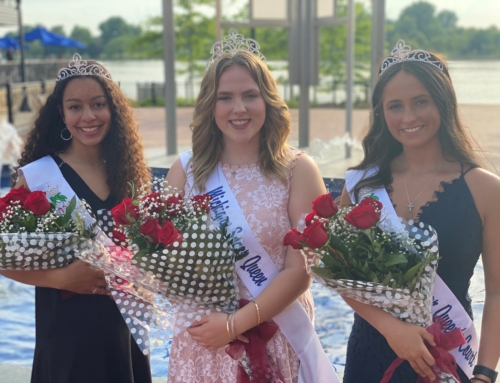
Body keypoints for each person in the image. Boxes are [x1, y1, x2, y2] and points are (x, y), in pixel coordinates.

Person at [165, 33, 337, 383]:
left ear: (268, 101)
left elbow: (301, 272)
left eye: (250, 95)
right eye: (225, 97)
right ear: (210, 106)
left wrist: (234, 325)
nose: (238, 108)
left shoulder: (298, 170)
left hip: (274, 332)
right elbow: (162, 259)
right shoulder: (185, 170)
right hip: (202, 340)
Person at [340, 40, 500, 383]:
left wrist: (485, 373)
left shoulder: (485, 189)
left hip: (449, 354)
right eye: (395, 106)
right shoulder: (361, 186)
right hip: (370, 356)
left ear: (443, 103)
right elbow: (341, 276)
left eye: (420, 102)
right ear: (382, 113)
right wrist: (391, 328)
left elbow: (498, 292)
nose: (408, 117)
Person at [0, 54, 152, 383]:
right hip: (65, 335)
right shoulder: (39, 177)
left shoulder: (131, 175)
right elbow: (3, 256)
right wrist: (62, 279)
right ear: (61, 113)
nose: (88, 116)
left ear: (114, 109)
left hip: (125, 331)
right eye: (75, 107)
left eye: (98, 104)